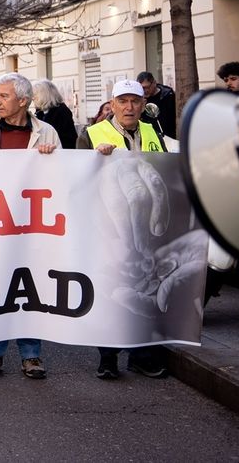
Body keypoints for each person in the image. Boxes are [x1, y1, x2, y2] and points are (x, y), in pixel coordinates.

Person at [0, 73, 59, 381]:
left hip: (32, 224)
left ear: (23, 101)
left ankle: (31, 355)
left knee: (30, 289)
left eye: (4, 96)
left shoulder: (46, 132)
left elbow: (62, 175)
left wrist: (52, 159)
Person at [76, 80, 169, 379]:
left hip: (146, 229)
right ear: (112, 105)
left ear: (143, 104)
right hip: (108, 229)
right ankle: (108, 357)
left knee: (144, 290)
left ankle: (141, 356)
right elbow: (77, 178)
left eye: (135, 101)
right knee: (110, 292)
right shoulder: (91, 134)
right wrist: (95, 159)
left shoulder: (153, 131)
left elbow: (166, 171)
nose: (129, 107)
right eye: (123, 101)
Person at [32, 79, 78, 150]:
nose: (33, 98)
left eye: (35, 95)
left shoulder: (61, 112)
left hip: (59, 152)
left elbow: (67, 139)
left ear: (45, 95)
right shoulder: (40, 112)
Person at [136, 71, 177, 137]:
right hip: (148, 134)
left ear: (154, 83)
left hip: (167, 134)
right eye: (142, 88)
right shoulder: (140, 98)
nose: (145, 90)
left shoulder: (167, 96)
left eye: (147, 87)